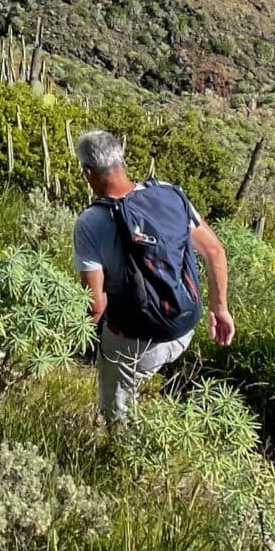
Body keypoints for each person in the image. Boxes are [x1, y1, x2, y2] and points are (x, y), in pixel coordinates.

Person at [71, 128, 234, 423]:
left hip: (135, 340)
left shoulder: (91, 222)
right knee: (144, 373)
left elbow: (95, 306)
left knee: (117, 416)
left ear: (88, 172)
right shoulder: (169, 193)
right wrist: (219, 309)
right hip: (184, 328)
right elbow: (214, 252)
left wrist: (78, 344)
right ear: (122, 160)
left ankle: (121, 454)